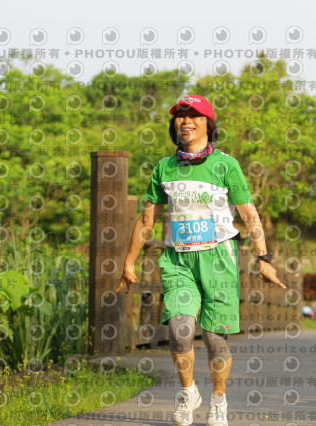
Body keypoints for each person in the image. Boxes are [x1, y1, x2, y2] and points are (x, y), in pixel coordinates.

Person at [115, 95, 285, 426]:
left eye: (194, 116)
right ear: (173, 125)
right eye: (180, 116)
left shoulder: (226, 165)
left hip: (219, 257)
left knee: (214, 338)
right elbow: (147, 220)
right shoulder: (164, 167)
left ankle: (218, 401)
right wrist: (129, 262)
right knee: (180, 331)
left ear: (209, 123)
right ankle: (188, 391)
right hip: (179, 261)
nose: (186, 121)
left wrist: (264, 257)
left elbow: (249, 214)